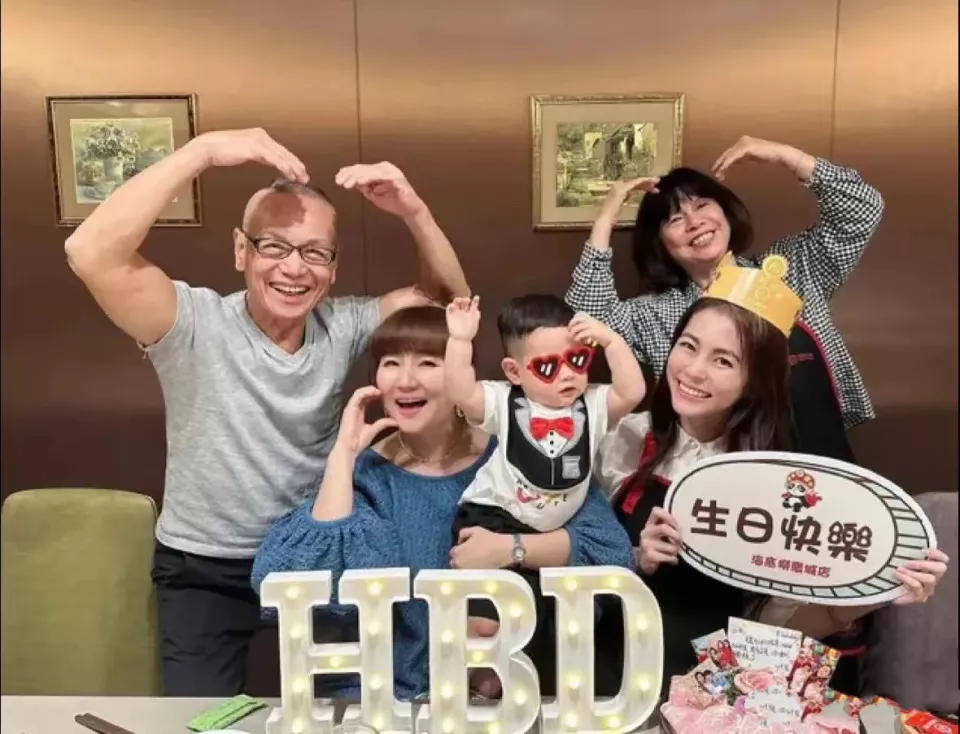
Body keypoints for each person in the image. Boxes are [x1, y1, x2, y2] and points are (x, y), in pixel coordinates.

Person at [64, 128, 470, 697]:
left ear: (333, 266)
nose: (294, 268)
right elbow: (89, 252)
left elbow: (451, 311)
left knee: (348, 717)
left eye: (314, 252)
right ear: (241, 250)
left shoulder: (343, 325)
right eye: (274, 246)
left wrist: (414, 210)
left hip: (313, 553)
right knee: (200, 725)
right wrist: (202, 151)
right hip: (203, 567)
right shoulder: (191, 322)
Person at [593, 256, 949, 695]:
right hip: (608, 678)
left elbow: (779, 626)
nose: (693, 370)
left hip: (716, 696)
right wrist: (635, 558)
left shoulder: (779, 483)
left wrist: (877, 588)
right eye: (688, 345)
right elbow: (567, 558)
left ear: (755, 381)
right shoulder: (622, 440)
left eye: (724, 361)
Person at [251, 306, 635, 700]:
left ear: (459, 370)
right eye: (391, 363)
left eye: (428, 363)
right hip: (386, 702)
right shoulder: (368, 474)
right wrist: (342, 458)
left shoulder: (516, 452)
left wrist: (512, 548)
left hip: (500, 701)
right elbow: (287, 584)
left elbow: (610, 550)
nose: (406, 380)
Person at [566, 135, 885, 463]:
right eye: (675, 219)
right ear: (661, 243)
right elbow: (585, 319)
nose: (694, 222)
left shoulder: (793, 267)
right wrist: (605, 219)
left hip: (819, 458)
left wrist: (784, 155)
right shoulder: (655, 313)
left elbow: (862, 210)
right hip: (713, 467)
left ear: (725, 211)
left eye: (702, 205)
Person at [442, 293, 645, 665]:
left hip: (546, 530)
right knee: (485, 620)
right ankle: (474, 679)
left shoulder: (594, 404)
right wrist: (459, 340)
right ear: (514, 372)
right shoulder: (505, 401)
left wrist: (613, 342)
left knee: (535, 620)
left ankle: (513, 679)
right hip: (493, 516)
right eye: (548, 367)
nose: (567, 374)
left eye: (577, 360)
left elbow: (633, 391)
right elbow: (461, 392)